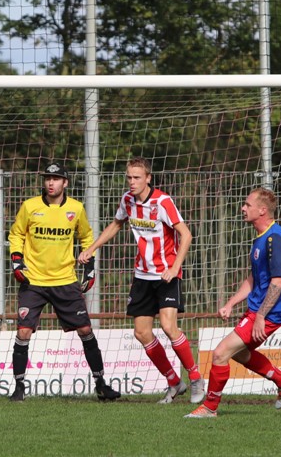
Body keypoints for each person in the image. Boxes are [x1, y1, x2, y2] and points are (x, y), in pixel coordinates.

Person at [79, 157, 204, 405]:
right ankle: (174, 381)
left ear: (148, 178)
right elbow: (116, 224)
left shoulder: (162, 201)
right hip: (142, 276)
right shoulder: (128, 200)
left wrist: (175, 267)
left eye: (137, 177)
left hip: (166, 275)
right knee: (141, 332)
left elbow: (186, 234)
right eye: (129, 177)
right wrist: (92, 248)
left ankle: (195, 377)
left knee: (168, 326)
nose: (132, 182)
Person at [7, 161, 122, 402]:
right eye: (47, 178)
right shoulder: (30, 206)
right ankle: (19, 388)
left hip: (65, 279)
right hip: (34, 281)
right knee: (23, 331)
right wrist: (17, 260)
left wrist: (89, 267)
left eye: (56, 179)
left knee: (85, 330)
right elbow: (16, 234)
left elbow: (86, 237)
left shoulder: (76, 209)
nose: (51, 183)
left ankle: (101, 385)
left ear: (65, 182)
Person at [184, 187, 281, 418]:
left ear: (262, 210)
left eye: (247, 205)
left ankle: (210, 407)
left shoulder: (275, 238)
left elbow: (278, 282)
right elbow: (254, 279)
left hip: (270, 312)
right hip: (259, 309)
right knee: (239, 353)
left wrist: (260, 317)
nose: (242, 208)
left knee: (220, 353)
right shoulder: (261, 238)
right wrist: (231, 303)